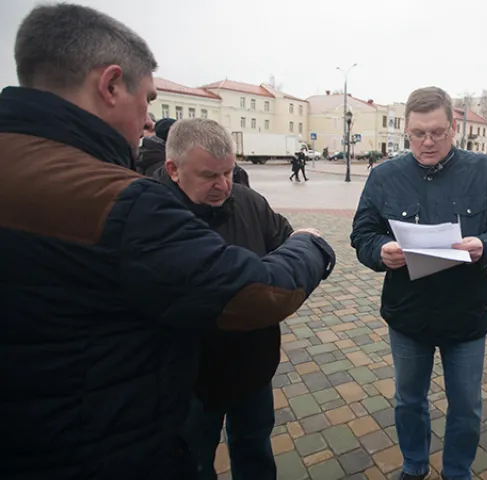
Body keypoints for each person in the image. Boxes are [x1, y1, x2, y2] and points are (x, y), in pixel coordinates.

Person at [0, 4, 335, 480]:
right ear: (111, 85)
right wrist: (313, 245)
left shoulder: (26, 164)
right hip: (106, 444)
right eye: (148, 99)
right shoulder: (123, 202)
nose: (147, 120)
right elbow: (251, 292)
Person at [351, 86, 487, 480]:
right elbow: (362, 234)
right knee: (409, 400)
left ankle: (457, 472)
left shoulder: (486, 173)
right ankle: (414, 466)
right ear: (406, 131)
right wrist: (381, 251)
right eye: (418, 133)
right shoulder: (384, 177)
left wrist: (486, 245)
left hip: (465, 314)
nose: (428, 142)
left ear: (454, 128)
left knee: (466, 405)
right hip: (408, 314)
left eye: (438, 132)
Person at [153, 118, 291, 480]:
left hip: (253, 364)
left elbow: (286, 243)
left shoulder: (248, 201)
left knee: (255, 449)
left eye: (229, 172)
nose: (223, 185)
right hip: (189, 381)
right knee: (194, 461)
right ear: (174, 169)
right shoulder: (149, 214)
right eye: (210, 175)